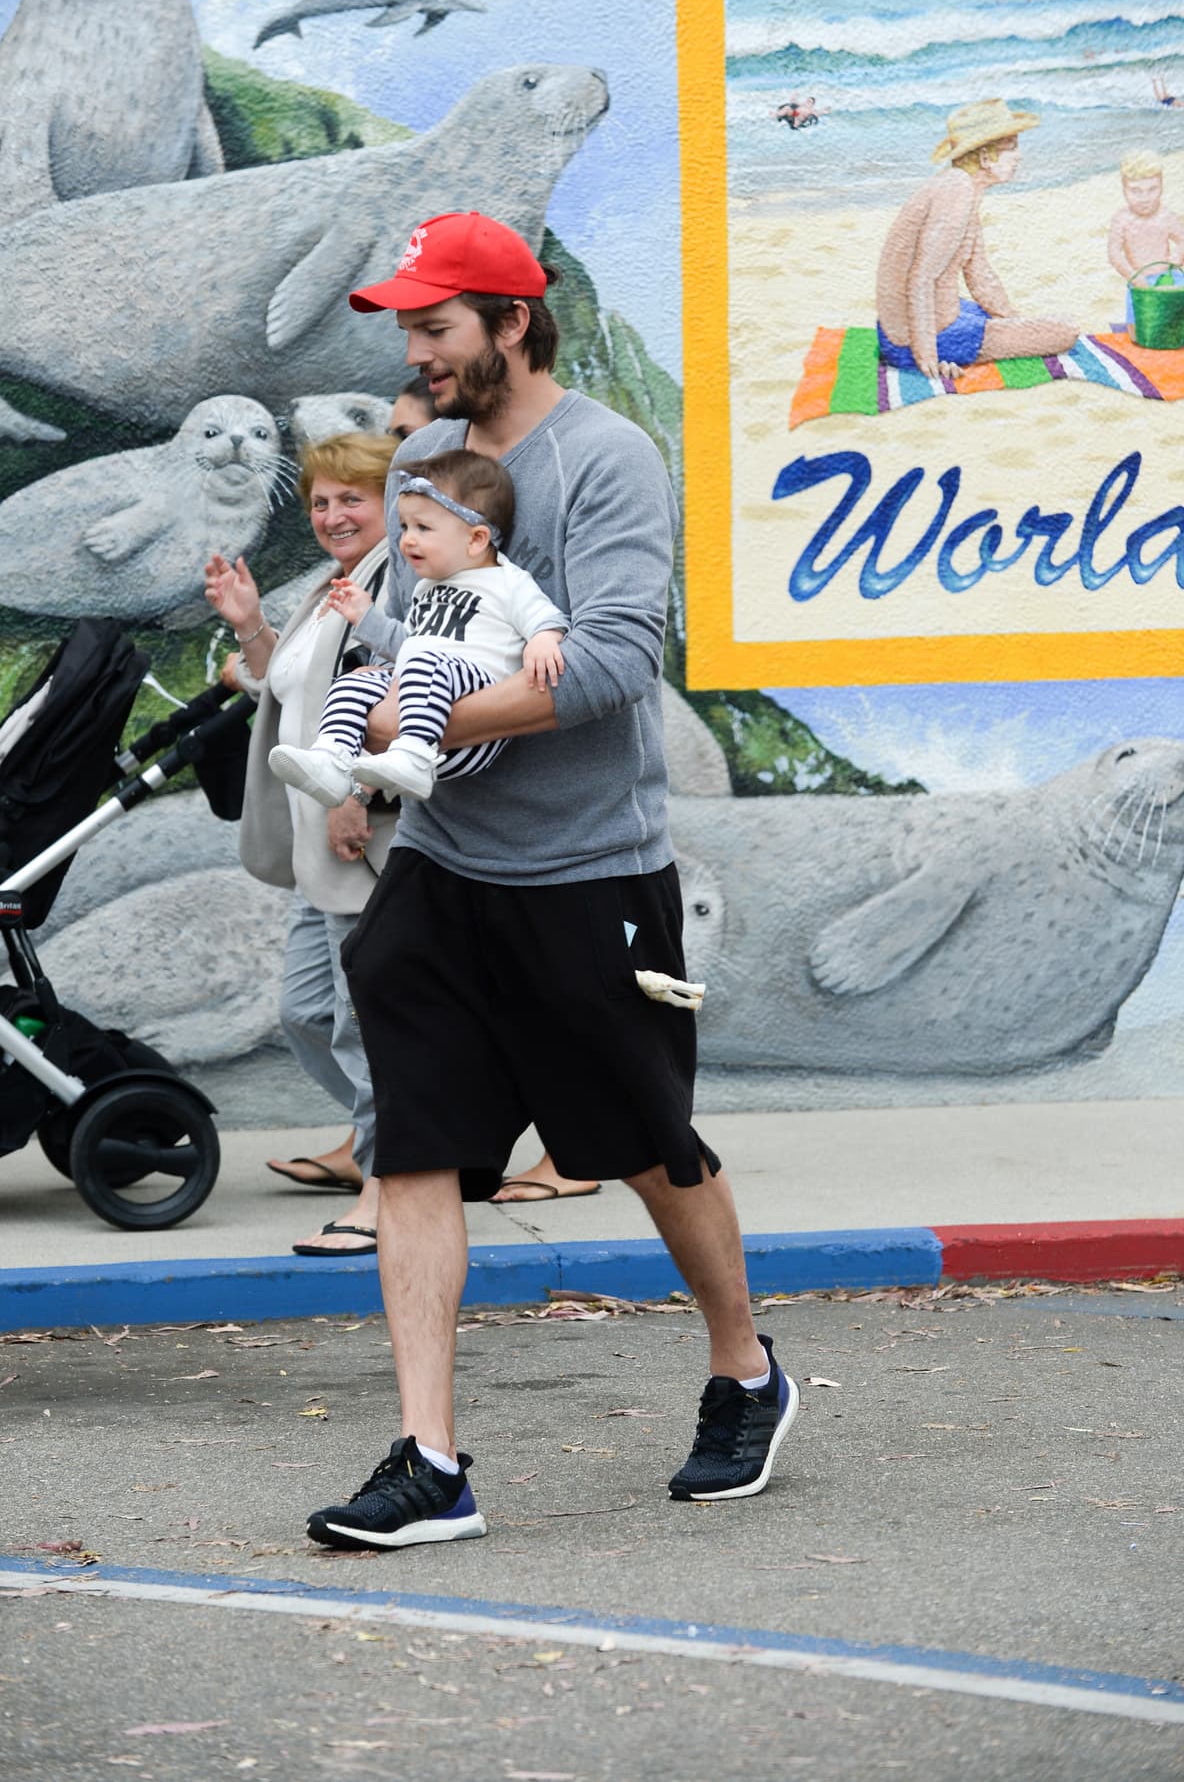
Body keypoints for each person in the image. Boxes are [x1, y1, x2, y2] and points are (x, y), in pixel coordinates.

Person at [303, 209, 799, 1551]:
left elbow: (615, 665)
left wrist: (422, 731)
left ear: (514, 322)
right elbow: (402, 637)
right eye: (407, 326)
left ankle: (746, 1371)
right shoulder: (424, 456)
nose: (416, 351)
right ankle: (429, 1459)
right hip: (442, 872)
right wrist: (357, 752)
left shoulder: (608, 461)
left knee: (647, 1149)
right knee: (413, 1149)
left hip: (589, 878)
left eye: (436, 325)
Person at [204, 431, 398, 1257]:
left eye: (351, 498)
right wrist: (252, 627)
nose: (332, 514)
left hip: (362, 843)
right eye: (320, 501)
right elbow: (296, 684)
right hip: (315, 854)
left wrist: (357, 791)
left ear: (392, 502)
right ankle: (404, 1150)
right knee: (307, 1013)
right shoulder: (337, 583)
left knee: (367, 1024)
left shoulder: (404, 578)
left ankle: (392, 1183)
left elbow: (406, 688)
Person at [268, 450, 567, 808]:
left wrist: (543, 638)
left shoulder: (505, 581)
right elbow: (406, 647)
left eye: (423, 528)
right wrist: (365, 617)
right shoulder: (427, 588)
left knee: (425, 658)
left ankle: (412, 759)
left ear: (475, 539)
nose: (407, 540)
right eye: (406, 527)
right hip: (425, 706)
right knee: (354, 681)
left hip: (469, 734)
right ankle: (333, 762)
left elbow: (546, 616)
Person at [876, 97, 1079, 379]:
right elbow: (921, 278)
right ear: (985, 157)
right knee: (1065, 332)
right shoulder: (956, 190)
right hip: (915, 340)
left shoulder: (964, 190)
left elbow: (979, 275)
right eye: (1012, 148)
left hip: (920, 326)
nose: (1019, 156)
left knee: (1014, 321)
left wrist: (1013, 321)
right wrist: (927, 358)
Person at [1107, 149, 1184, 324]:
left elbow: (1182, 240)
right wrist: (1133, 275)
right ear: (1124, 189)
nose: (1145, 197)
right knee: (1139, 326)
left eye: (1152, 189)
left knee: (1176, 322)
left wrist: (1176, 258)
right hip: (1139, 278)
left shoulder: (1166, 216)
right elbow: (1114, 254)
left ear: (1162, 187)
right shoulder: (1122, 219)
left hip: (1169, 276)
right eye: (1136, 191)